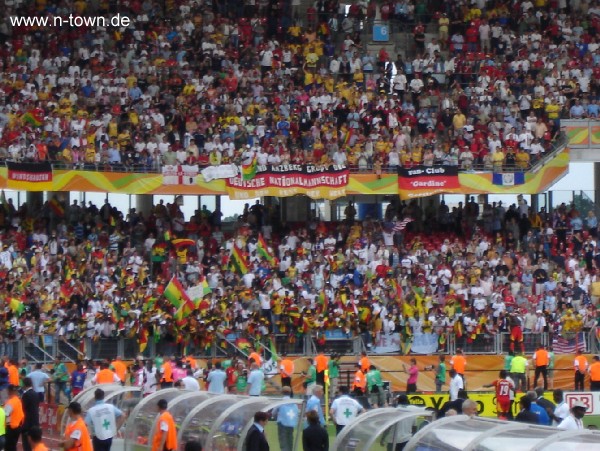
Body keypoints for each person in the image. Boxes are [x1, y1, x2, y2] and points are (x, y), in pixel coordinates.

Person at [274, 387, 298, 451]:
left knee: (283, 442)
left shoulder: (280, 402)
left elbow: (274, 412)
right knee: (290, 441)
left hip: (282, 424)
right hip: (291, 424)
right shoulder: (294, 403)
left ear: (282, 392)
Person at [21, 378, 40, 451]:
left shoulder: (26, 395)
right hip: (35, 421)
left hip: (27, 423)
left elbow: (23, 407)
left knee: (26, 445)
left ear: (24, 384)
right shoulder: (36, 394)